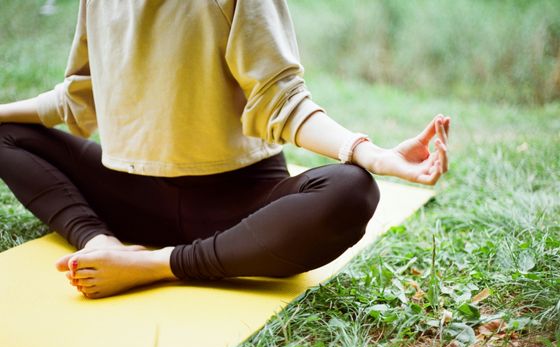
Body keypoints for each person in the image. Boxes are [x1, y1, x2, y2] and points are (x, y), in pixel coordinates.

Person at [0, 0, 450, 299]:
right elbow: (80, 96)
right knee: (5, 133)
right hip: (133, 196)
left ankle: (156, 265)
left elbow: (284, 101)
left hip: (238, 207)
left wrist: (371, 155)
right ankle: (105, 247)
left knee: (351, 189)